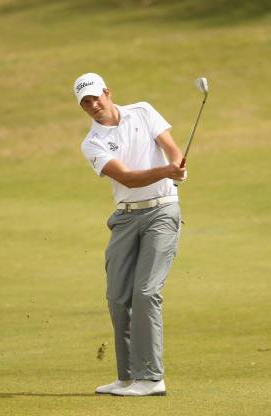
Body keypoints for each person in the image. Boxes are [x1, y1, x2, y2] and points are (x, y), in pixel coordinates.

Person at [74, 73, 186, 397]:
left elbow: (172, 149)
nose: (93, 105)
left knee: (147, 291)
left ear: (107, 93)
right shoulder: (91, 143)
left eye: (95, 97)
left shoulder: (143, 111)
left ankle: (151, 379)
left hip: (162, 211)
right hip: (125, 218)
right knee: (118, 297)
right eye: (85, 103)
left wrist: (177, 164)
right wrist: (168, 170)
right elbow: (128, 178)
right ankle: (127, 378)